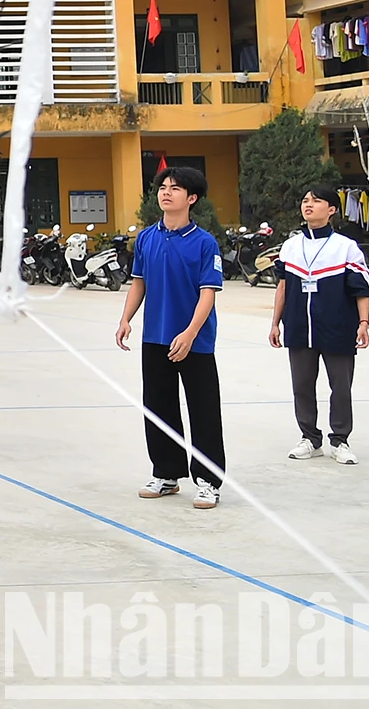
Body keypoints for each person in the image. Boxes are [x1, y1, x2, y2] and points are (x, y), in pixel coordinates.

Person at [114, 167, 226, 508]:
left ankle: (208, 480)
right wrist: (125, 319)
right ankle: (166, 473)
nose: (166, 193)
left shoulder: (205, 243)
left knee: (203, 410)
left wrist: (191, 333)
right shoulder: (147, 237)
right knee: (159, 408)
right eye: (163, 187)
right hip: (156, 338)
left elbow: (208, 292)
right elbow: (139, 282)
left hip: (195, 341)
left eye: (175, 188)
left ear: (191, 198)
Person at [270, 183, 369, 464]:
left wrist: (363, 322)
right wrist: (275, 323)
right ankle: (310, 438)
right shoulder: (290, 247)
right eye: (305, 200)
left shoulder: (345, 248)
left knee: (340, 386)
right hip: (299, 327)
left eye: (315, 201)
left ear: (331, 210)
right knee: (301, 385)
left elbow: (360, 289)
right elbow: (282, 288)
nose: (308, 205)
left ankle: (340, 440)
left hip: (338, 327)